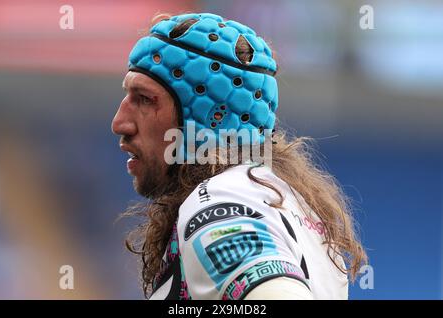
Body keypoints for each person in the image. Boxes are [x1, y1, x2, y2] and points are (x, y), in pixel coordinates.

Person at [111, 12, 366, 300]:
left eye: (145, 99)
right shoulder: (290, 205)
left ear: (208, 118)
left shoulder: (220, 204)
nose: (119, 123)